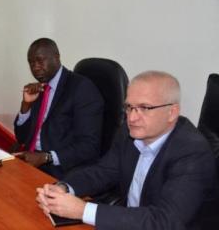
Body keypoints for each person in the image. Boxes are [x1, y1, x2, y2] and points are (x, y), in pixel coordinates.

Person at [36, 71, 217, 230]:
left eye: (144, 108)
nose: (132, 117)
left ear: (172, 112)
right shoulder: (131, 132)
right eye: (129, 107)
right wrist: (63, 188)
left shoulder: (193, 154)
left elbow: (165, 221)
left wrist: (83, 210)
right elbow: (103, 171)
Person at [14, 38, 104, 179]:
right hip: (29, 160)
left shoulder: (82, 89)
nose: (35, 67)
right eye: (31, 62)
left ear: (56, 57)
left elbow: (89, 146)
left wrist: (46, 157)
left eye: (40, 60)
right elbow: (21, 138)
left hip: (59, 169)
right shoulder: (40, 88)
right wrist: (26, 105)